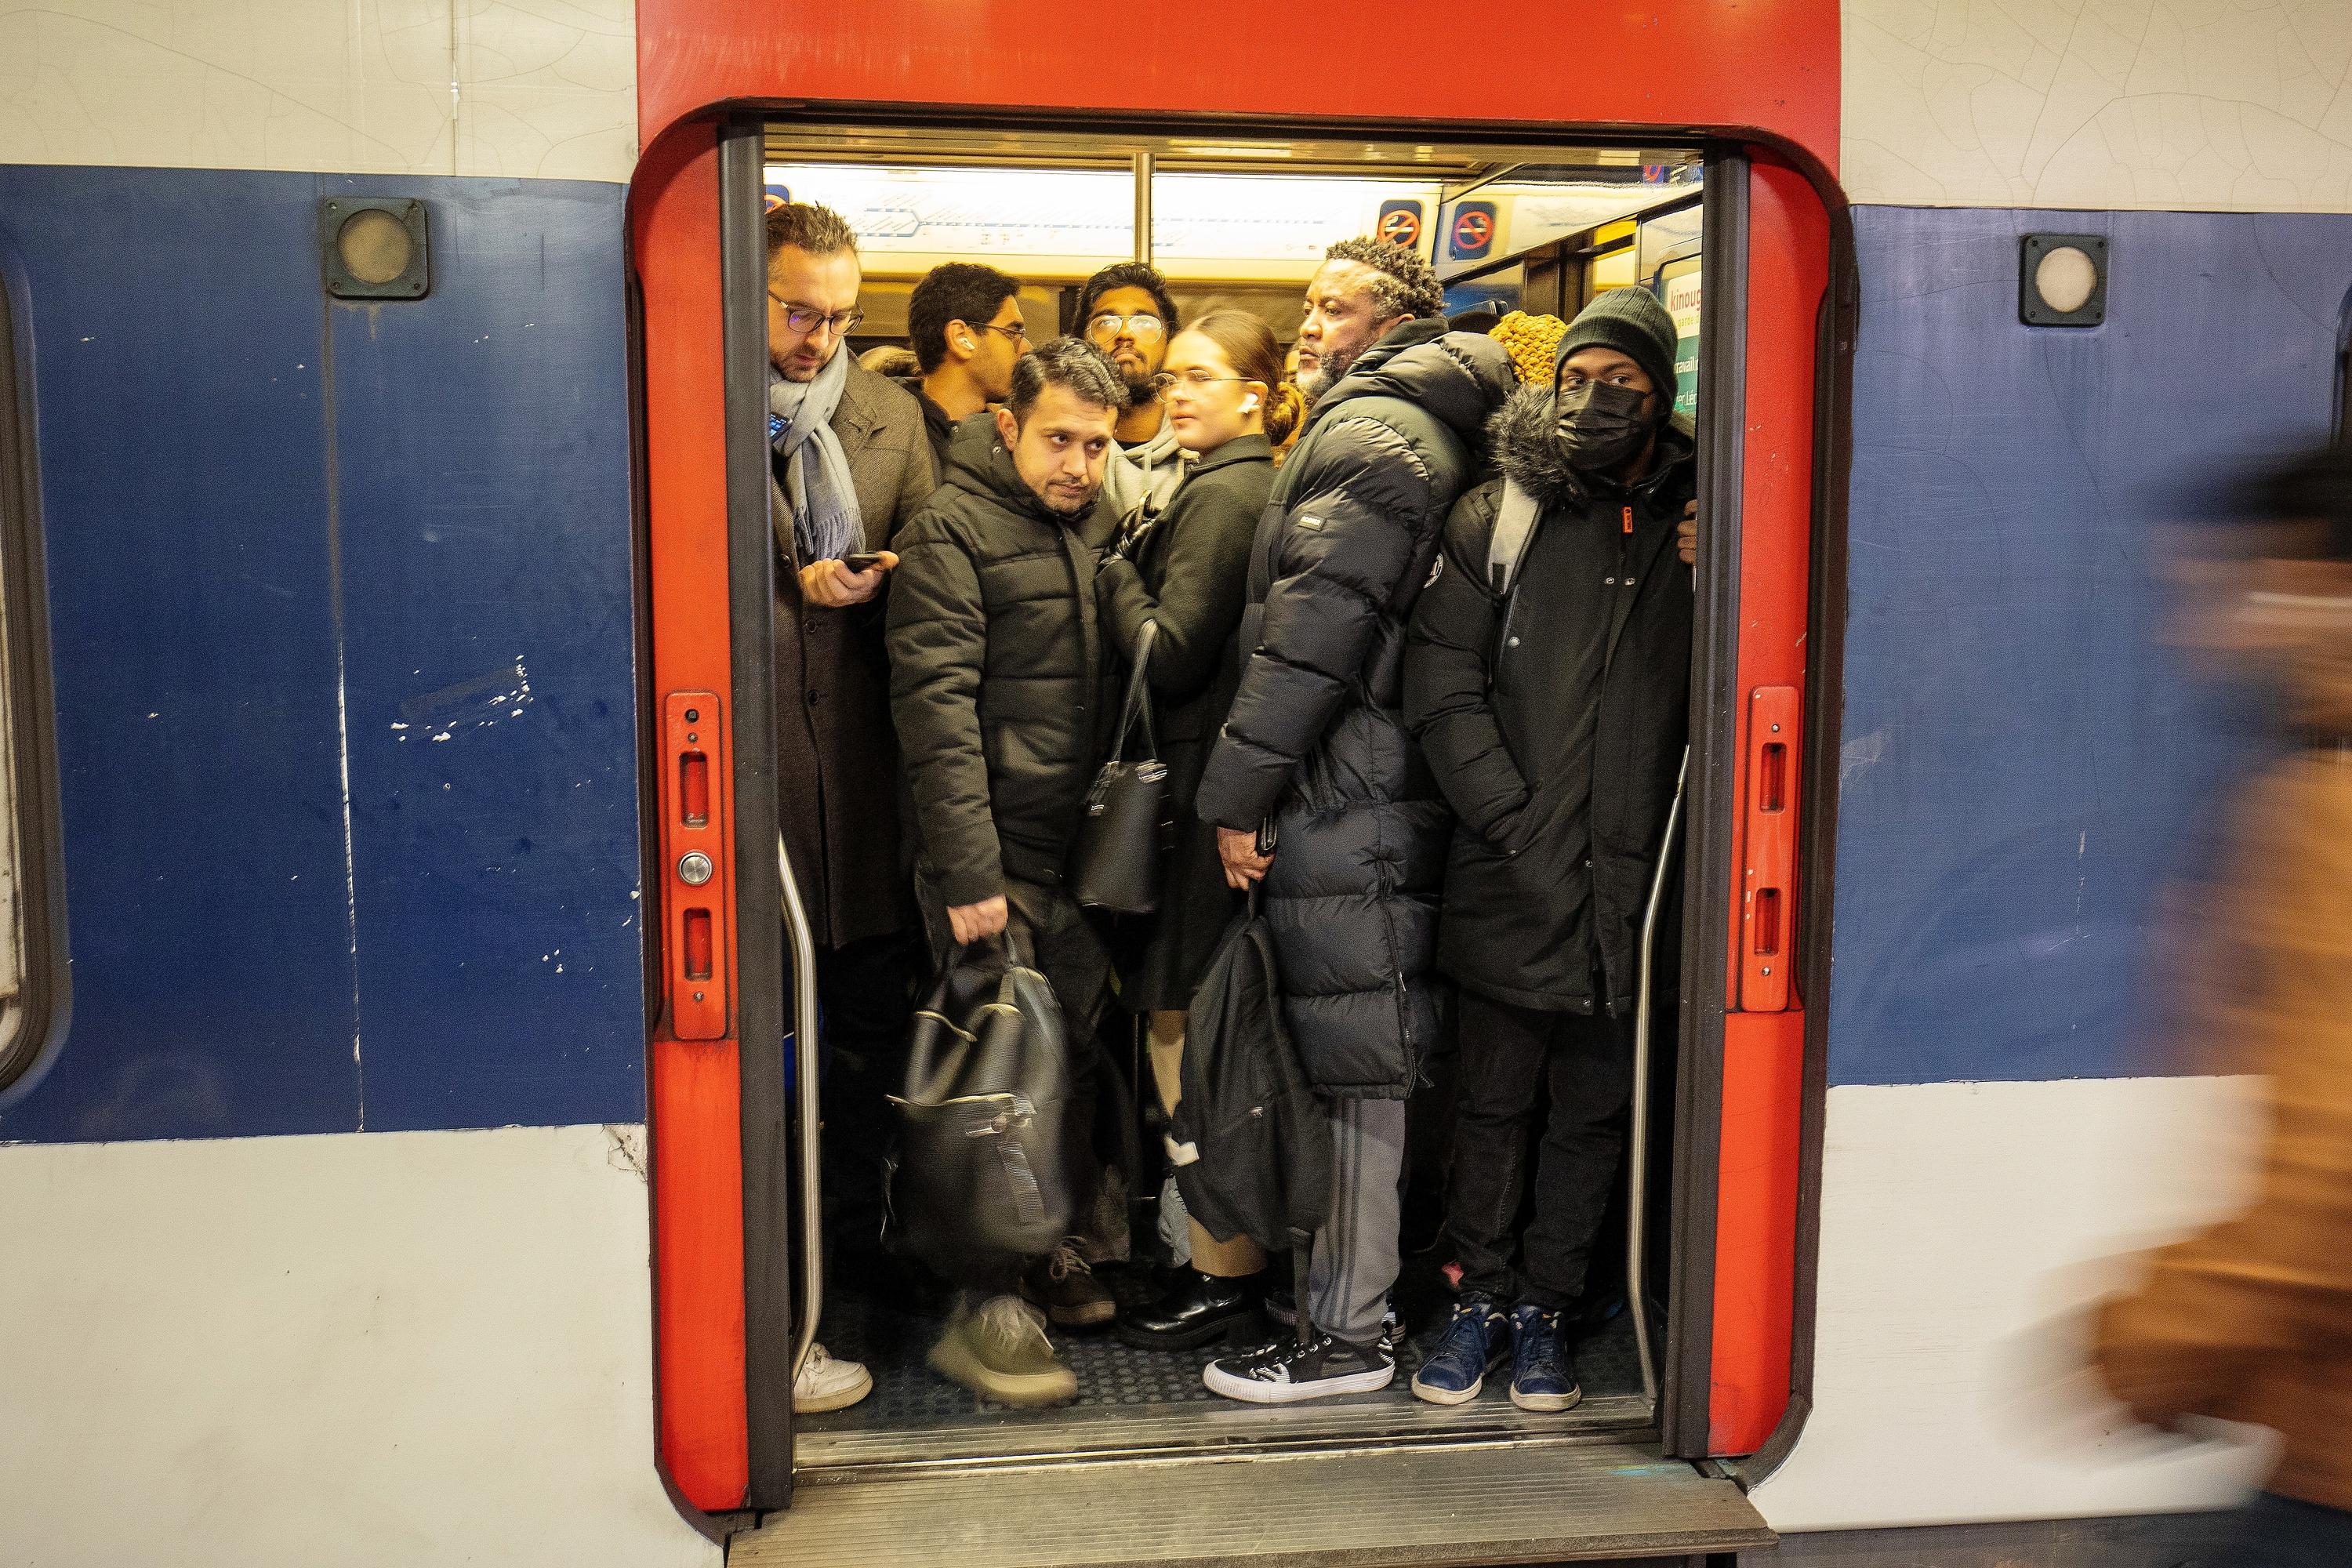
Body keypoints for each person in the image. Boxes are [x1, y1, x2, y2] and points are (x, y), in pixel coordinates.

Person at [1191, 238, 1515, 1403]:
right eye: (1309, 305)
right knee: (1361, 1050)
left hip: (1347, 783)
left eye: (1333, 307)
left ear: (1392, 320)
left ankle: (1346, 1333)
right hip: (1373, 776)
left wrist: (1237, 796)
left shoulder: (1373, 433)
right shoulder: (1413, 424)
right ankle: (1347, 1306)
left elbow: (1311, 637)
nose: (1311, 326)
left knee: (1353, 1060)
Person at [1399, 285, 1702, 1413]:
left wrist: (1721, 565)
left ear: (1658, 394)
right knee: (1489, 1105)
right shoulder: (1503, 512)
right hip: (1514, 866)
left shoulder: (1703, 519)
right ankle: (1478, 1295)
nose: (1594, 400)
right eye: (1576, 379)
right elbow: (1441, 679)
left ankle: (1548, 1307)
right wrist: (1508, 815)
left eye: (1621, 382)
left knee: (1593, 1114)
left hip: (1638, 877)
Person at [2094, 445, 2352, 1567]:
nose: (2196, 635)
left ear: (2320, 587)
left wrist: (2154, 1345)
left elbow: (2331, 1162)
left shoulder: (2327, 810)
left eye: (2226, 592)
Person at [886, 337, 1130, 1404]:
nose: (1078, 464)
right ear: (1006, 427)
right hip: (993, 862)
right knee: (992, 1084)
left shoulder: (1098, 528)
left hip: (1082, 859)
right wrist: (968, 873)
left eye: (1097, 444)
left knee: (1062, 1067)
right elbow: (934, 711)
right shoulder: (950, 532)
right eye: (1058, 440)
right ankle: (984, 1304)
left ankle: (1047, 1249)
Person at [1092, 312, 1305, 1351]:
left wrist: (1113, 571)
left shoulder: (1224, 492)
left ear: (1254, 395)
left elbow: (1170, 652)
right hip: (1212, 794)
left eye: (1201, 378)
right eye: (1173, 377)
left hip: (1191, 795)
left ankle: (1225, 1268)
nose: (1177, 393)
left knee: (1184, 1035)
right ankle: (1217, 1255)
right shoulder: (1233, 481)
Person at [761, 200, 937, 1417]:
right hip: (759, 787)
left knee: (866, 1053)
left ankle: (856, 1280)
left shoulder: (888, 417)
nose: (817, 338)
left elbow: (938, 547)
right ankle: (778, 1301)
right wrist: (792, 581)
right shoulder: (693, 397)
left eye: (837, 317)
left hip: (868, 792)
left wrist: (882, 574)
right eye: (795, 311)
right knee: (763, 1066)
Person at [1078, 262, 1186, 526]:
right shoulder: (1063, 451)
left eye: (1145, 323)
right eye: (1106, 323)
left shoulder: (1201, 447)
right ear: (1082, 341)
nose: (1125, 334)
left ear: (1170, 339)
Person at [903, 261, 1029, 471]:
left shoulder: (1011, 437)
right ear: (961, 338)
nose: (1026, 349)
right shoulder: (895, 440)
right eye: (1011, 333)